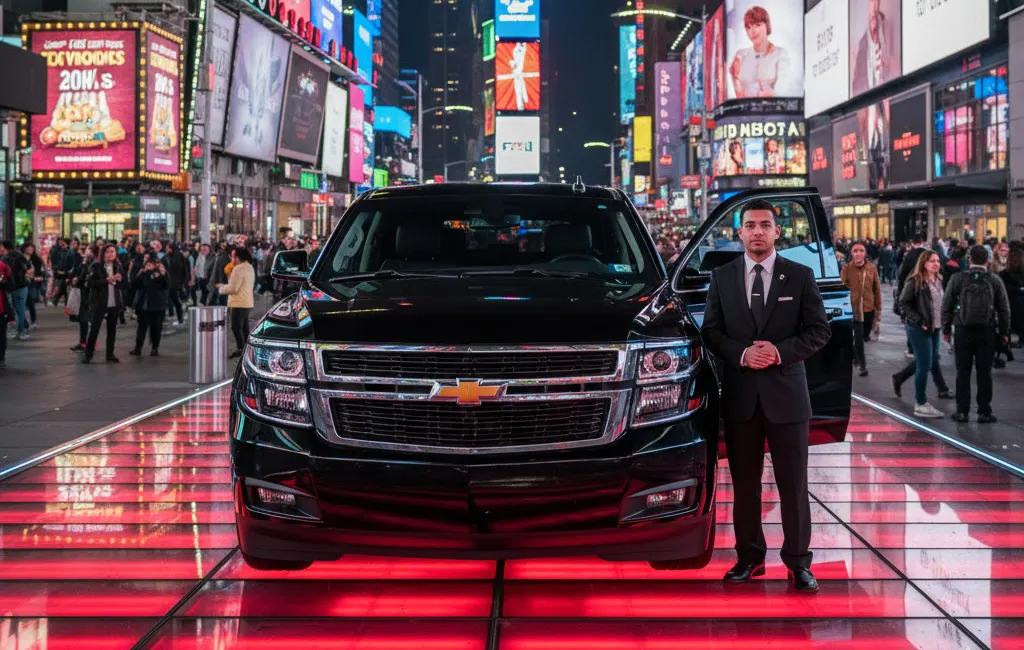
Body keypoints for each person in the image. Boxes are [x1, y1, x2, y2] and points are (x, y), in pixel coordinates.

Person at [701, 199, 831, 593]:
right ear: (739, 233)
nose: (758, 231)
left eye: (765, 225)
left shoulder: (801, 275)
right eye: (751, 225)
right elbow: (711, 331)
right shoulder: (722, 277)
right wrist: (742, 354)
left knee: (793, 485)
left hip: (788, 396)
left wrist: (778, 351)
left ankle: (798, 562)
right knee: (745, 486)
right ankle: (750, 558)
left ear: (778, 232)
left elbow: (819, 330)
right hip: (741, 398)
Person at [942, 245, 1011, 423]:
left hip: (963, 330)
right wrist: (1004, 332)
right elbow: (1004, 309)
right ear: (987, 260)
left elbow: (947, 304)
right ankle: (984, 411)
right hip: (986, 331)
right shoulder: (994, 280)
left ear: (969, 259)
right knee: (984, 372)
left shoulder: (958, 279)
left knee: (963, 371)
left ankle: (962, 411)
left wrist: (946, 329)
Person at [895, 251, 947, 418]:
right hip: (920, 328)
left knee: (927, 362)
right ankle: (921, 403)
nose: (936, 264)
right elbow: (903, 302)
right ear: (924, 263)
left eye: (938, 261)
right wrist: (918, 321)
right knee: (924, 366)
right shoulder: (916, 281)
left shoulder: (939, 280)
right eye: (932, 261)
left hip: (935, 327)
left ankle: (900, 379)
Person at [728, 6, 794, 99]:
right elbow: (739, 93)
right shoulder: (741, 55)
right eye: (749, 27)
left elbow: (781, 91)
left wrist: (756, 93)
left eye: (757, 25)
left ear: (767, 25)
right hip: (745, 111)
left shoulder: (780, 54)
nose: (753, 31)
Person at [841, 243, 882, 377]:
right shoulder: (847, 269)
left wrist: (878, 312)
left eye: (861, 251)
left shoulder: (872, 268)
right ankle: (862, 365)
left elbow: (877, 290)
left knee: (864, 337)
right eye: (855, 251)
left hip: (869, 308)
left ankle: (855, 355)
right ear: (852, 253)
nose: (858, 253)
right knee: (858, 339)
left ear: (865, 253)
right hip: (854, 310)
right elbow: (842, 289)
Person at [82, 244, 125, 364]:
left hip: (114, 301)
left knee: (112, 330)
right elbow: (89, 282)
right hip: (99, 302)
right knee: (95, 328)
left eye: (113, 252)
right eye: (108, 252)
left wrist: (120, 279)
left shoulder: (117, 266)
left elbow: (124, 284)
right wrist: (105, 280)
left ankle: (110, 354)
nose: (111, 254)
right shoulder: (96, 266)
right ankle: (88, 354)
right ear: (103, 253)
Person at [851, 0, 900, 97]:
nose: (874, 5)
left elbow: (895, 68)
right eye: (871, 2)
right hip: (869, 100)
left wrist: (887, 64)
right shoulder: (863, 43)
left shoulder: (887, 28)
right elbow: (855, 87)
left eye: (876, 1)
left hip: (887, 94)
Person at [217, 246, 255, 358]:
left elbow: (234, 288)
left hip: (238, 303)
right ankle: (246, 349)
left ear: (237, 258)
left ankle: (241, 349)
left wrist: (221, 288)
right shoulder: (249, 267)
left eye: (233, 256)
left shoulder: (238, 269)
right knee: (244, 328)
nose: (231, 259)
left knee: (236, 327)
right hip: (247, 301)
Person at [130, 256, 170, 357]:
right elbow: (134, 285)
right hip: (144, 306)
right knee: (141, 328)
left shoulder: (161, 273)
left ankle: (155, 348)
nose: (150, 267)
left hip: (158, 305)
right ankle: (138, 348)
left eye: (152, 264)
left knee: (156, 328)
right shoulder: (143, 274)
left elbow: (167, 285)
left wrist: (163, 274)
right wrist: (142, 273)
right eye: (148, 264)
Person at [0, 241, 30, 341]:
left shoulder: (4, 259)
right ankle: (21, 331)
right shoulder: (20, 256)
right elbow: (28, 268)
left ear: (5, 248)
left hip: (10, 287)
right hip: (22, 286)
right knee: (20, 310)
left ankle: (20, 330)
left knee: (14, 309)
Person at [1000, 249, 1024, 349]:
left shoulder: (1004, 274)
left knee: (1008, 323)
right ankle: (1020, 340)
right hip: (1019, 304)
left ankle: (1007, 340)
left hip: (1009, 303)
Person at [163, 243, 189, 326]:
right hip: (175, 283)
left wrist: (182, 282)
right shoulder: (173, 256)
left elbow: (184, 271)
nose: (167, 250)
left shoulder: (175, 257)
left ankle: (180, 319)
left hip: (174, 283)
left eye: (168, 248)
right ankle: (180, 318)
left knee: (175, 301)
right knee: (175, 301)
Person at [22, 243, 44, 330]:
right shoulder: (20, 258)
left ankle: (33, 321)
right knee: (22, 305)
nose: (31, 249)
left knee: (31, 303)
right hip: (22, 283)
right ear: (24, 249)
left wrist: (35, 276)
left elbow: (38, 271)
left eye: (32, 248)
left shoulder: (36, 259)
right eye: (29, 248)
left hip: (31, 283)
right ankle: (24, 324)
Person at [0, 256, 12, 368]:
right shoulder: (3, 266)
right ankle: (1, 359)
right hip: (1, 307)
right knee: (1, 334)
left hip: (1, 306)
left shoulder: (2, 266)